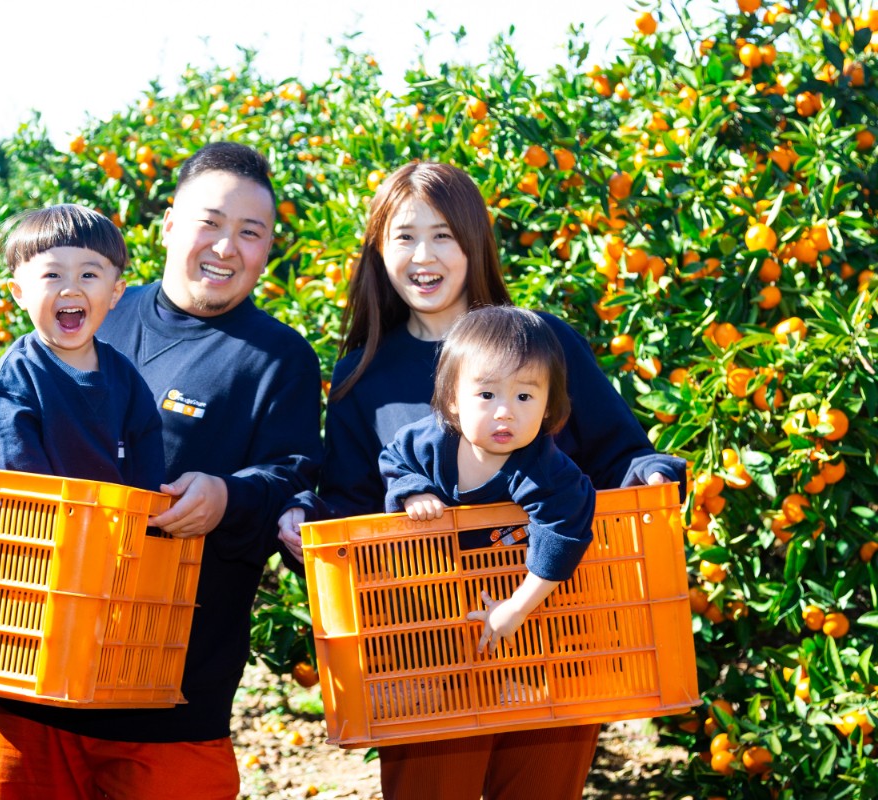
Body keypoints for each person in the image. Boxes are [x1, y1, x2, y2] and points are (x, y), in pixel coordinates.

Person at [0, 142, 323, 800]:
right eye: (210, 223)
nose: (226, 247)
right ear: (169, 225)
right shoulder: (95, 308)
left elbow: (293, 474)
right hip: (41, 665)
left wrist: (226, 495)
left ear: (268, 247)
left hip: (173, 691)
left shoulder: (279, 358)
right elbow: (0, 419)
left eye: (250, 232)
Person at [277, 161, 685, 800]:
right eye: (404, 236)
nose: (423, 256)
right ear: (379, 250)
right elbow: (354, 504)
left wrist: (650, 473)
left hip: (555, 637)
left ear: (474, 243)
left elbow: (619, 454)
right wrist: (305, 520)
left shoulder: (541, 341)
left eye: (443, 235)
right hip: (429, 650)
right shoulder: (363, 374)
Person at [379, 305, 596, 656]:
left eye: (524, 396)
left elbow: (564, 533)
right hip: (436, 586)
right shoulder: (429, 442)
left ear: (547, 406)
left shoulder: (544, 470)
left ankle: (518, 679)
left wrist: (518, 607)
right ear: (453, 399)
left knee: (524, 645)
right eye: (487, 395)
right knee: (427, 643)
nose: (504, 412)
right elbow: (394, 459)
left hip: (514, 586)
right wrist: (412, 490)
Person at [0, 202, 163, 491]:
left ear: (115, 292)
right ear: (19, 293)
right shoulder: (17, 376)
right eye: (52, 275)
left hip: (108, 519)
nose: (71, 289)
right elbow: (16, 479)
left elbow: (148, 464)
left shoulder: (125, 378)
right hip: (32, 517)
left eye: (88, 275)